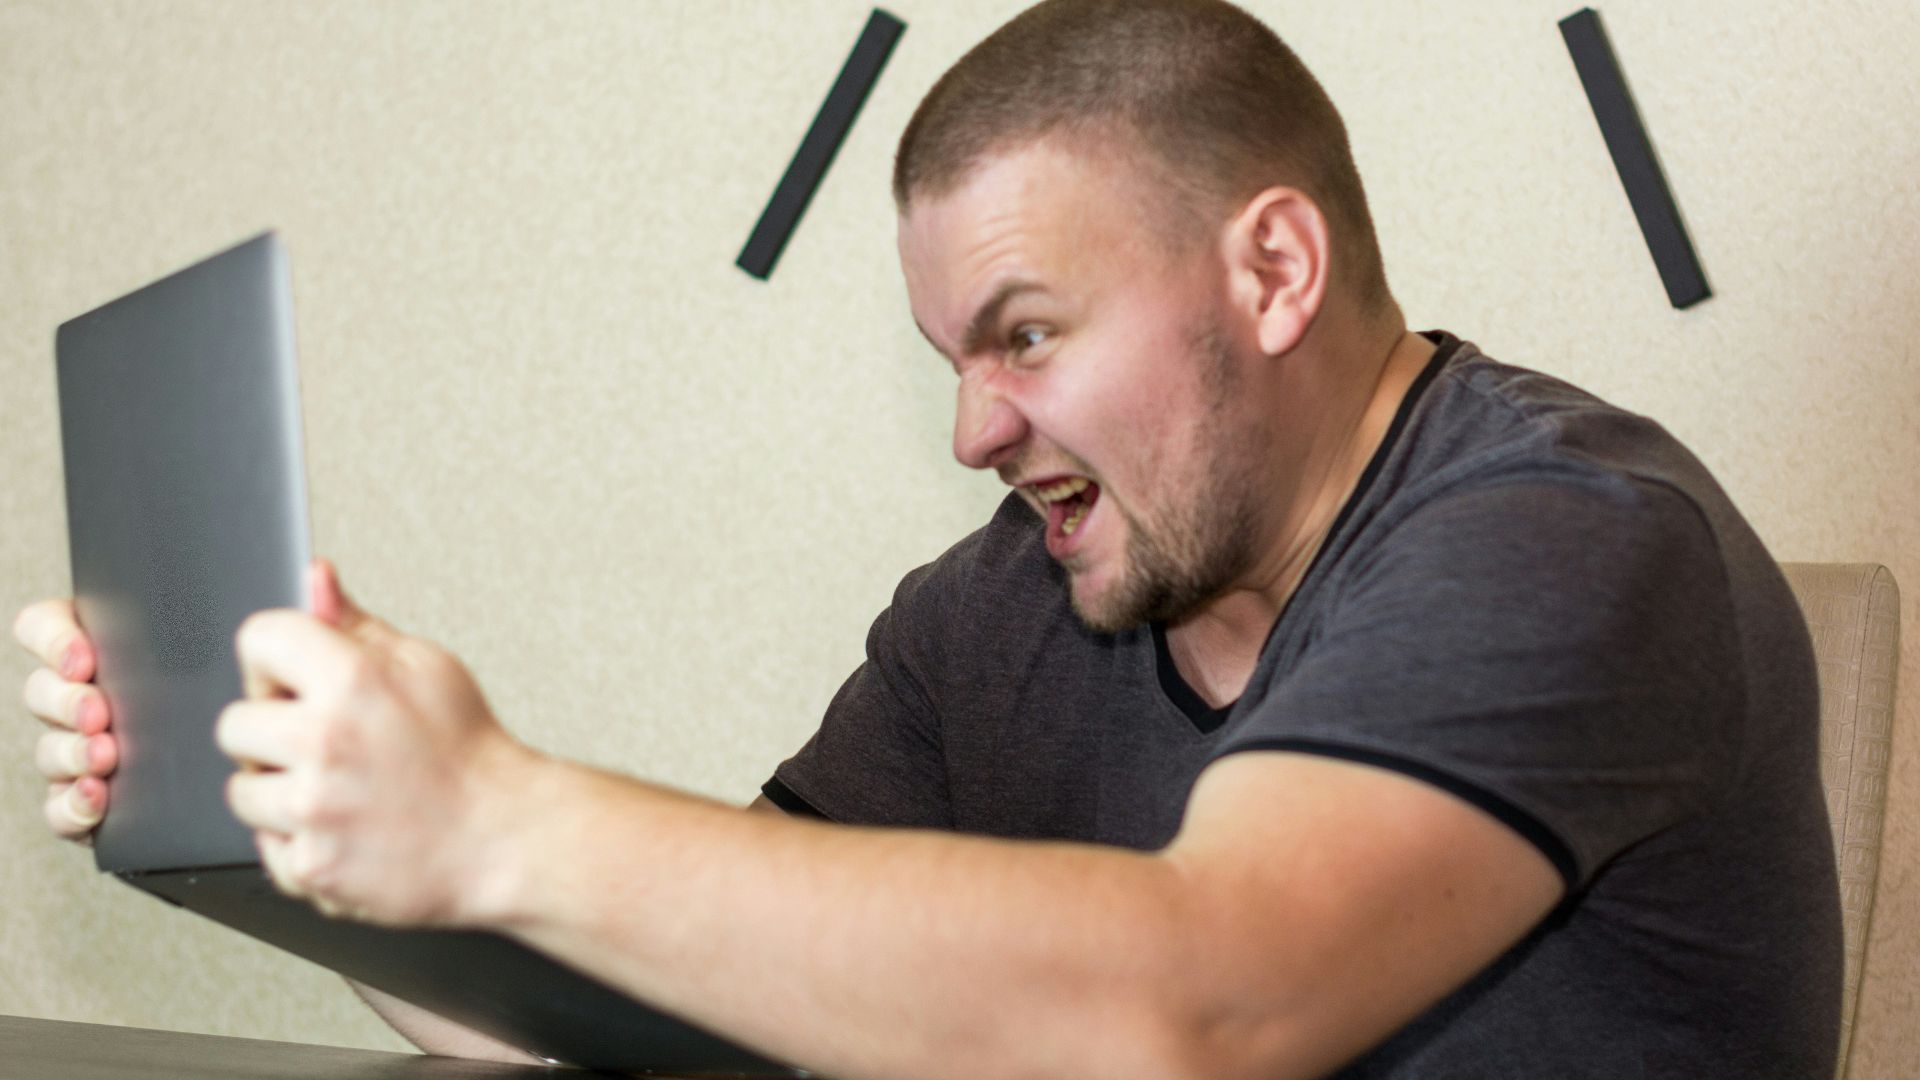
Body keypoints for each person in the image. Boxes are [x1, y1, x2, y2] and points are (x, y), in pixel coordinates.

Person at [17, 0, 1841, 1076]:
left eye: (1026, 336)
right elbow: (687, 1030)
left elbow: (1202, 1004)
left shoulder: (1566, 537)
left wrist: (492, 809)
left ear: (1274, 271)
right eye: (951, 360)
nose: (976, 430)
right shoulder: (1004, 607)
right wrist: (313, 834)